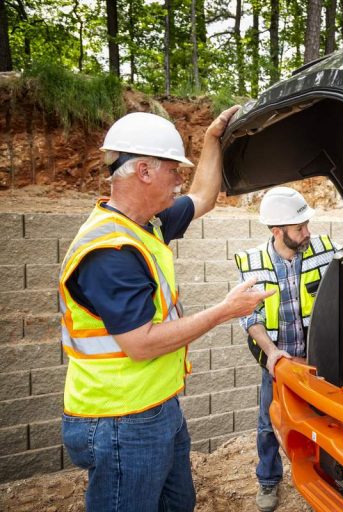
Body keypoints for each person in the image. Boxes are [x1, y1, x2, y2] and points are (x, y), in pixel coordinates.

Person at [59, 108, 274, 512]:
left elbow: (203, 195)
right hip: (120, 420)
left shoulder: (147, 225)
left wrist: (212, 139)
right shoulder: (110, 252)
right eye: (174, 170)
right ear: (143, 171)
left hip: (156, 408)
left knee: (178, 503)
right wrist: (226, 310)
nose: (179, 181)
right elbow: (141, 344)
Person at [233, 187, 336, 512]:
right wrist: (272, 354)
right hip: (278, 363)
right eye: (299, 228)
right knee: (268, 424)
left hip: (318, 362)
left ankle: (325, 480)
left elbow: (338, 299)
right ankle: (268, 481)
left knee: (326, 424)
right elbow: (250, 317)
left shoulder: (324, 250)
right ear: (277, 231)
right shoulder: (253, 262)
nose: (307, 232)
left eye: (306, 225)